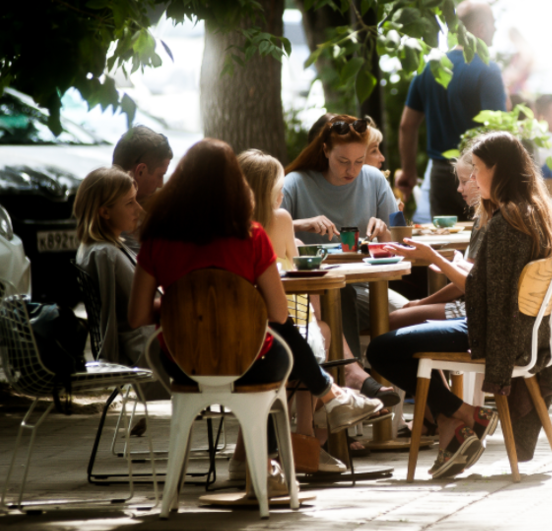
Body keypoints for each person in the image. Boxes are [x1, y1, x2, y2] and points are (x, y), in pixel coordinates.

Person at [127, 139, 383, 483]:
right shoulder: (251, 236)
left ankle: (256, 456)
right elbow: (278, 313)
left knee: (279, 338)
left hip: (181, 362)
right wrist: (233, 308)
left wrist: (184, 307)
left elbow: (137, 316)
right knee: (282, 342)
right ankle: (324, 400)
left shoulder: (157, 238)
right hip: (247, 362)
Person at [369, 131, 552, 478]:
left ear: (499, 170)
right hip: (520, 332)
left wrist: (433, 256)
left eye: (477, 169)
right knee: (397, 338)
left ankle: (462, 413)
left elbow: (481, 292)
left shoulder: (508, 221)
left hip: (495, 333)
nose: (472, 179)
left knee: (382, 349)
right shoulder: (532, 211)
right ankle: (455, 420)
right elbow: (492, 282)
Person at [239, 149, 400, 405]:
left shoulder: (220, 234)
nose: (283, 195)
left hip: (223, 339)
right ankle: (320, 422)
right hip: (274, 335)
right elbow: (291, 302)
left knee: (319, 319)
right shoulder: (278, 222)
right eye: (279, 190)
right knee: (319, 327)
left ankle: (346, 381)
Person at [282, 114, 408, 357]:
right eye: (343, 161)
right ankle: (355, 379)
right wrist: (298, 224)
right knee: (341, 292)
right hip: (311, 293)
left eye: (359, 161)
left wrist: (384, 233)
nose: (352, 170)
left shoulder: (374, 180)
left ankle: (420, 392)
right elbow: (266, 237)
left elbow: (399, 247)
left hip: (368, 286)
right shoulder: (294, 183)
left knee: (414, 319)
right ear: (325, 150)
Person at [397, 0, 507, 219]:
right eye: (493, 23)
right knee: (482, 242)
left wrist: (409, 171)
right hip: (479, 175)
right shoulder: (488, 70)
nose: (495, 29)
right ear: (481, 28)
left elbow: (406, 126)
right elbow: (498, 133)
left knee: (445, 242)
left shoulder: (430, 68)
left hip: (440, 175)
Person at [387, 149, 484, 330]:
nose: (459, 189)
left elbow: (469, 285)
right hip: (476, 305)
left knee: (393, 321)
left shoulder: (488, 222)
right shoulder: (484, 218)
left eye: (464, 182)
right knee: (397, 316)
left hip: (476, 311)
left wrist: (422, 302)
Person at [73, 166, 153, 369]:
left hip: (146, 339)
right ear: (105, 211)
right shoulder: (105, 254)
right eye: (129, 203)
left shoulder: (99, 248)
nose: (139, 209)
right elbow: (138, 307)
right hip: (145, 347)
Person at [112, 125, 174, 253]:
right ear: (140, 172)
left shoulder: (101, 207)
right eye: (160, 175)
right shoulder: (124, 222)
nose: (161, 184)